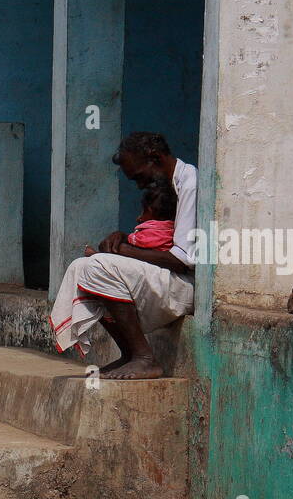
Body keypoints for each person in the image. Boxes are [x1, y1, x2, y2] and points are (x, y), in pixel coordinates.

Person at [50, 132, 197, 379]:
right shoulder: (170, 185)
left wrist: (124, 250)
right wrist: (124, 238)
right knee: (81, 267)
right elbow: (160, 239)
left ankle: (145, 358)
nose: (140, 186)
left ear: (155, 158)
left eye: (140, 177)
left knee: (95, 267)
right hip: (166, 278)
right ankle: (130, 355)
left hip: (185, 285)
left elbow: (181, 260)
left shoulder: (189, 183)